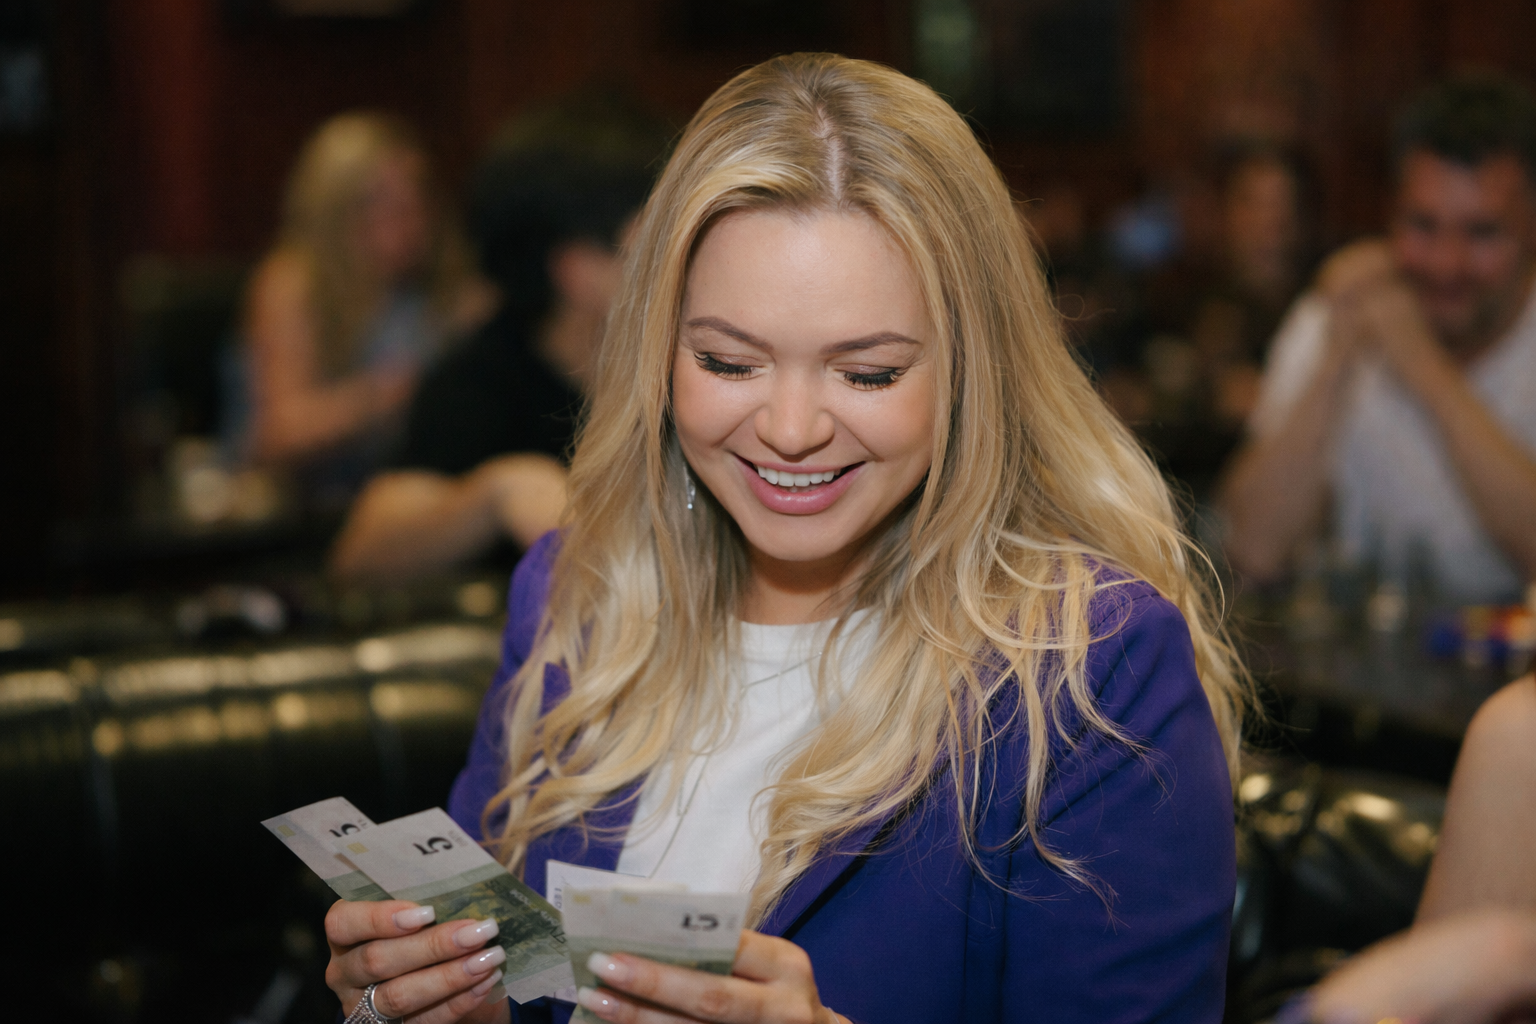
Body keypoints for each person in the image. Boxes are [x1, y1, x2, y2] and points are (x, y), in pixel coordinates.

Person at [321, 54, 1250, 1024]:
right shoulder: (581, 590)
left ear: (974, 372)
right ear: (659, 350)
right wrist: (429, 1003)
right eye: (729, 361)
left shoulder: (1094, 668)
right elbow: (521, 986)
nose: (791, 429)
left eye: (868, 374)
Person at [1220, 74, 1536, 601]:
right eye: (1423, 225)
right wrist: (1338, 353)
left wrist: (1423, 366)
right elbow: (1252, 550)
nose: (1446, 264)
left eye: (1482, 232)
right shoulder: (1339, 310)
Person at [329, 93, 669, 582]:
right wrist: (495, 493)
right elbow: (360, 550)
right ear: (576, 270)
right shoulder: (482, 382)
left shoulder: (702, 360)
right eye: (656, 236)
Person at [237, 112, 492, 510]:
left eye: (418, 198)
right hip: (295, 509)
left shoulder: (448, 286)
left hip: (413, 498)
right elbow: (276, 435)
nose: (409, 220)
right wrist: (383, 398)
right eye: (383, 203)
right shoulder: (293, 282)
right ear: (332, 210)